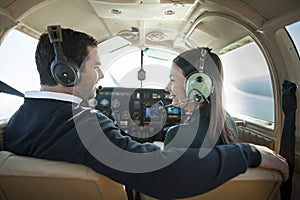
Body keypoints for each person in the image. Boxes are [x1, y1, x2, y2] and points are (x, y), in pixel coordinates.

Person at [3, 26, 288, 199]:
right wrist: (249, 152)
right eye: (95, 66)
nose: (102, 73)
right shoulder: (86, 125)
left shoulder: (17, 124)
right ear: (67, 73)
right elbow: (165, 172)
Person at [164, 47, 238, 151]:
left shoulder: (176, 135)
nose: (166, 87)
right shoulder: (228, 121)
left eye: (173, 80)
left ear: (196, 85)